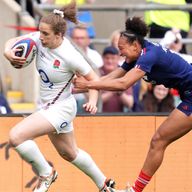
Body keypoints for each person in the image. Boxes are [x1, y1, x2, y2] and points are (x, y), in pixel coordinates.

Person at [3, 1, 115, 192]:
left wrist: (93, 101)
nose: (40, 37)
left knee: (15, 137)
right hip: (48, 106)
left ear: (60, 35)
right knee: (70, 153)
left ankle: (47, 173)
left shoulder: (70, 55)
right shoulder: (39, 39)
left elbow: (94, 80)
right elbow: (11, 42)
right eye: (40, 32)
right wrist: (7, 53)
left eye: (45, 34)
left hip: (61, 108)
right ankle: (105, 185)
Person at [74, 16, 192, 192]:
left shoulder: (148, 56)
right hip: (188, 96)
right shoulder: (137, 56)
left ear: (135, 45)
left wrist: (89, 84)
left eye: (121, 49)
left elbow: (123, 84)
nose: (120, 53)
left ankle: (135, 190)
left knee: (159, 140)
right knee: (158, 141)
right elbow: (108, 79)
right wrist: (78, 89)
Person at [100, 46, 133, 113]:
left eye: (113, 58)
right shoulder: (97, 73)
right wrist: (114, 89)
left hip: (119, 118)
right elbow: (94, 101)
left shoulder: (125, 74)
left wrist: (120, 93)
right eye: (107, 58)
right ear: (102, 58)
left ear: (118, 59)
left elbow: (130, 103)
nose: (110, 61)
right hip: (97, 116)